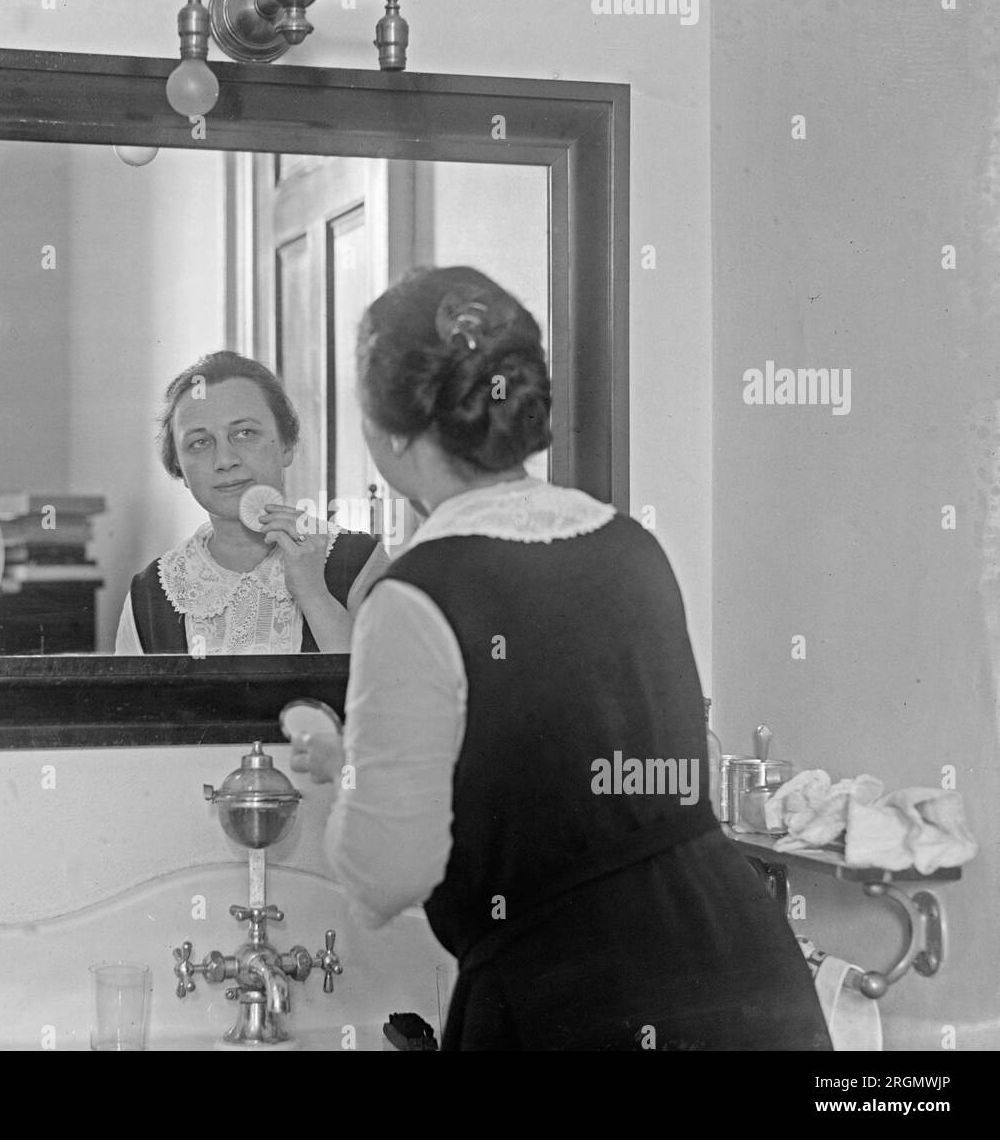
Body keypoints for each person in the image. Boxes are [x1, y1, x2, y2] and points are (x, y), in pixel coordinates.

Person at [291, 266, 832, 1050]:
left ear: (389, 431)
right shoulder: (628, 544)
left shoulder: (414, 596)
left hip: (571, 1002)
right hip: (747, 974)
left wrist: (346, 767)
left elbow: (386, 875)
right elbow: (574, 776)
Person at [114, 351, 391, 655]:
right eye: (199, 443)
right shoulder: (150, 593)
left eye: (245, 433)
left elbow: (387, 692)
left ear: (287, 445)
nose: (225, 460)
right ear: (179, 467)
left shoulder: (358, 560)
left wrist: (314, 595)